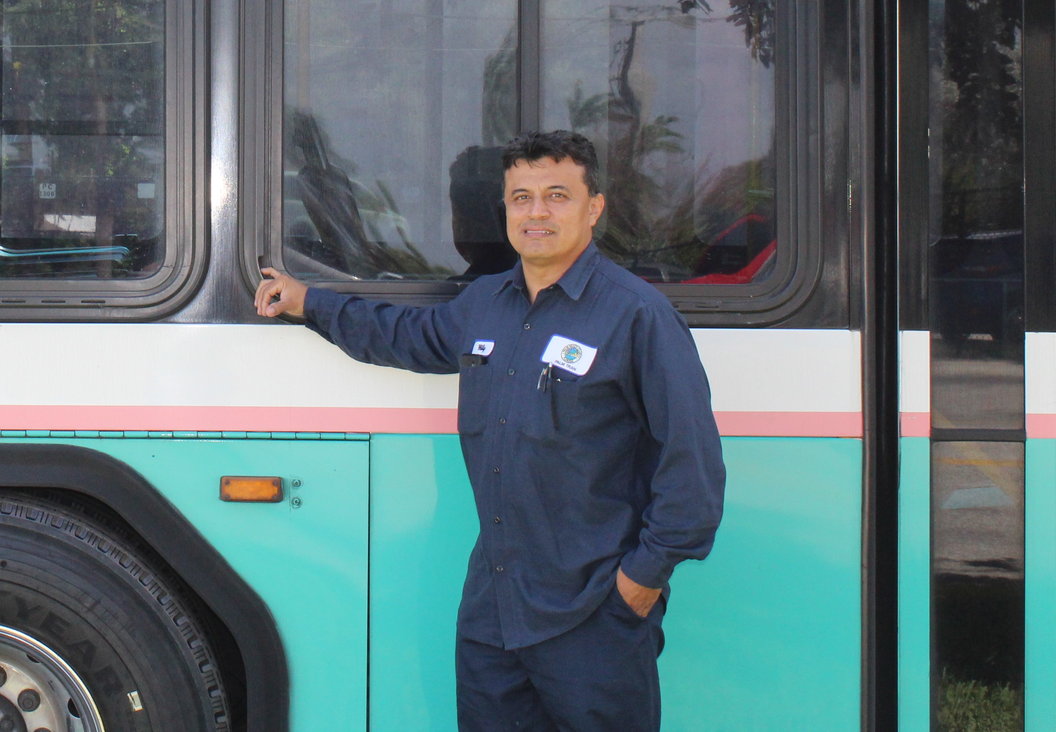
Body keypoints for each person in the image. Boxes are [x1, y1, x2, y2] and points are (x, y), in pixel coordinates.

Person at [254, 130, 726, 732]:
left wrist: (641, 581)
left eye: (557, 195)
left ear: (595, 207)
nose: (537, 212)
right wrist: (309, 304)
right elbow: (405, 335)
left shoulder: (638, 316)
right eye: (521, 197)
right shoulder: (486, 304)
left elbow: (693, 468)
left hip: (594, 613)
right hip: (493, 612)